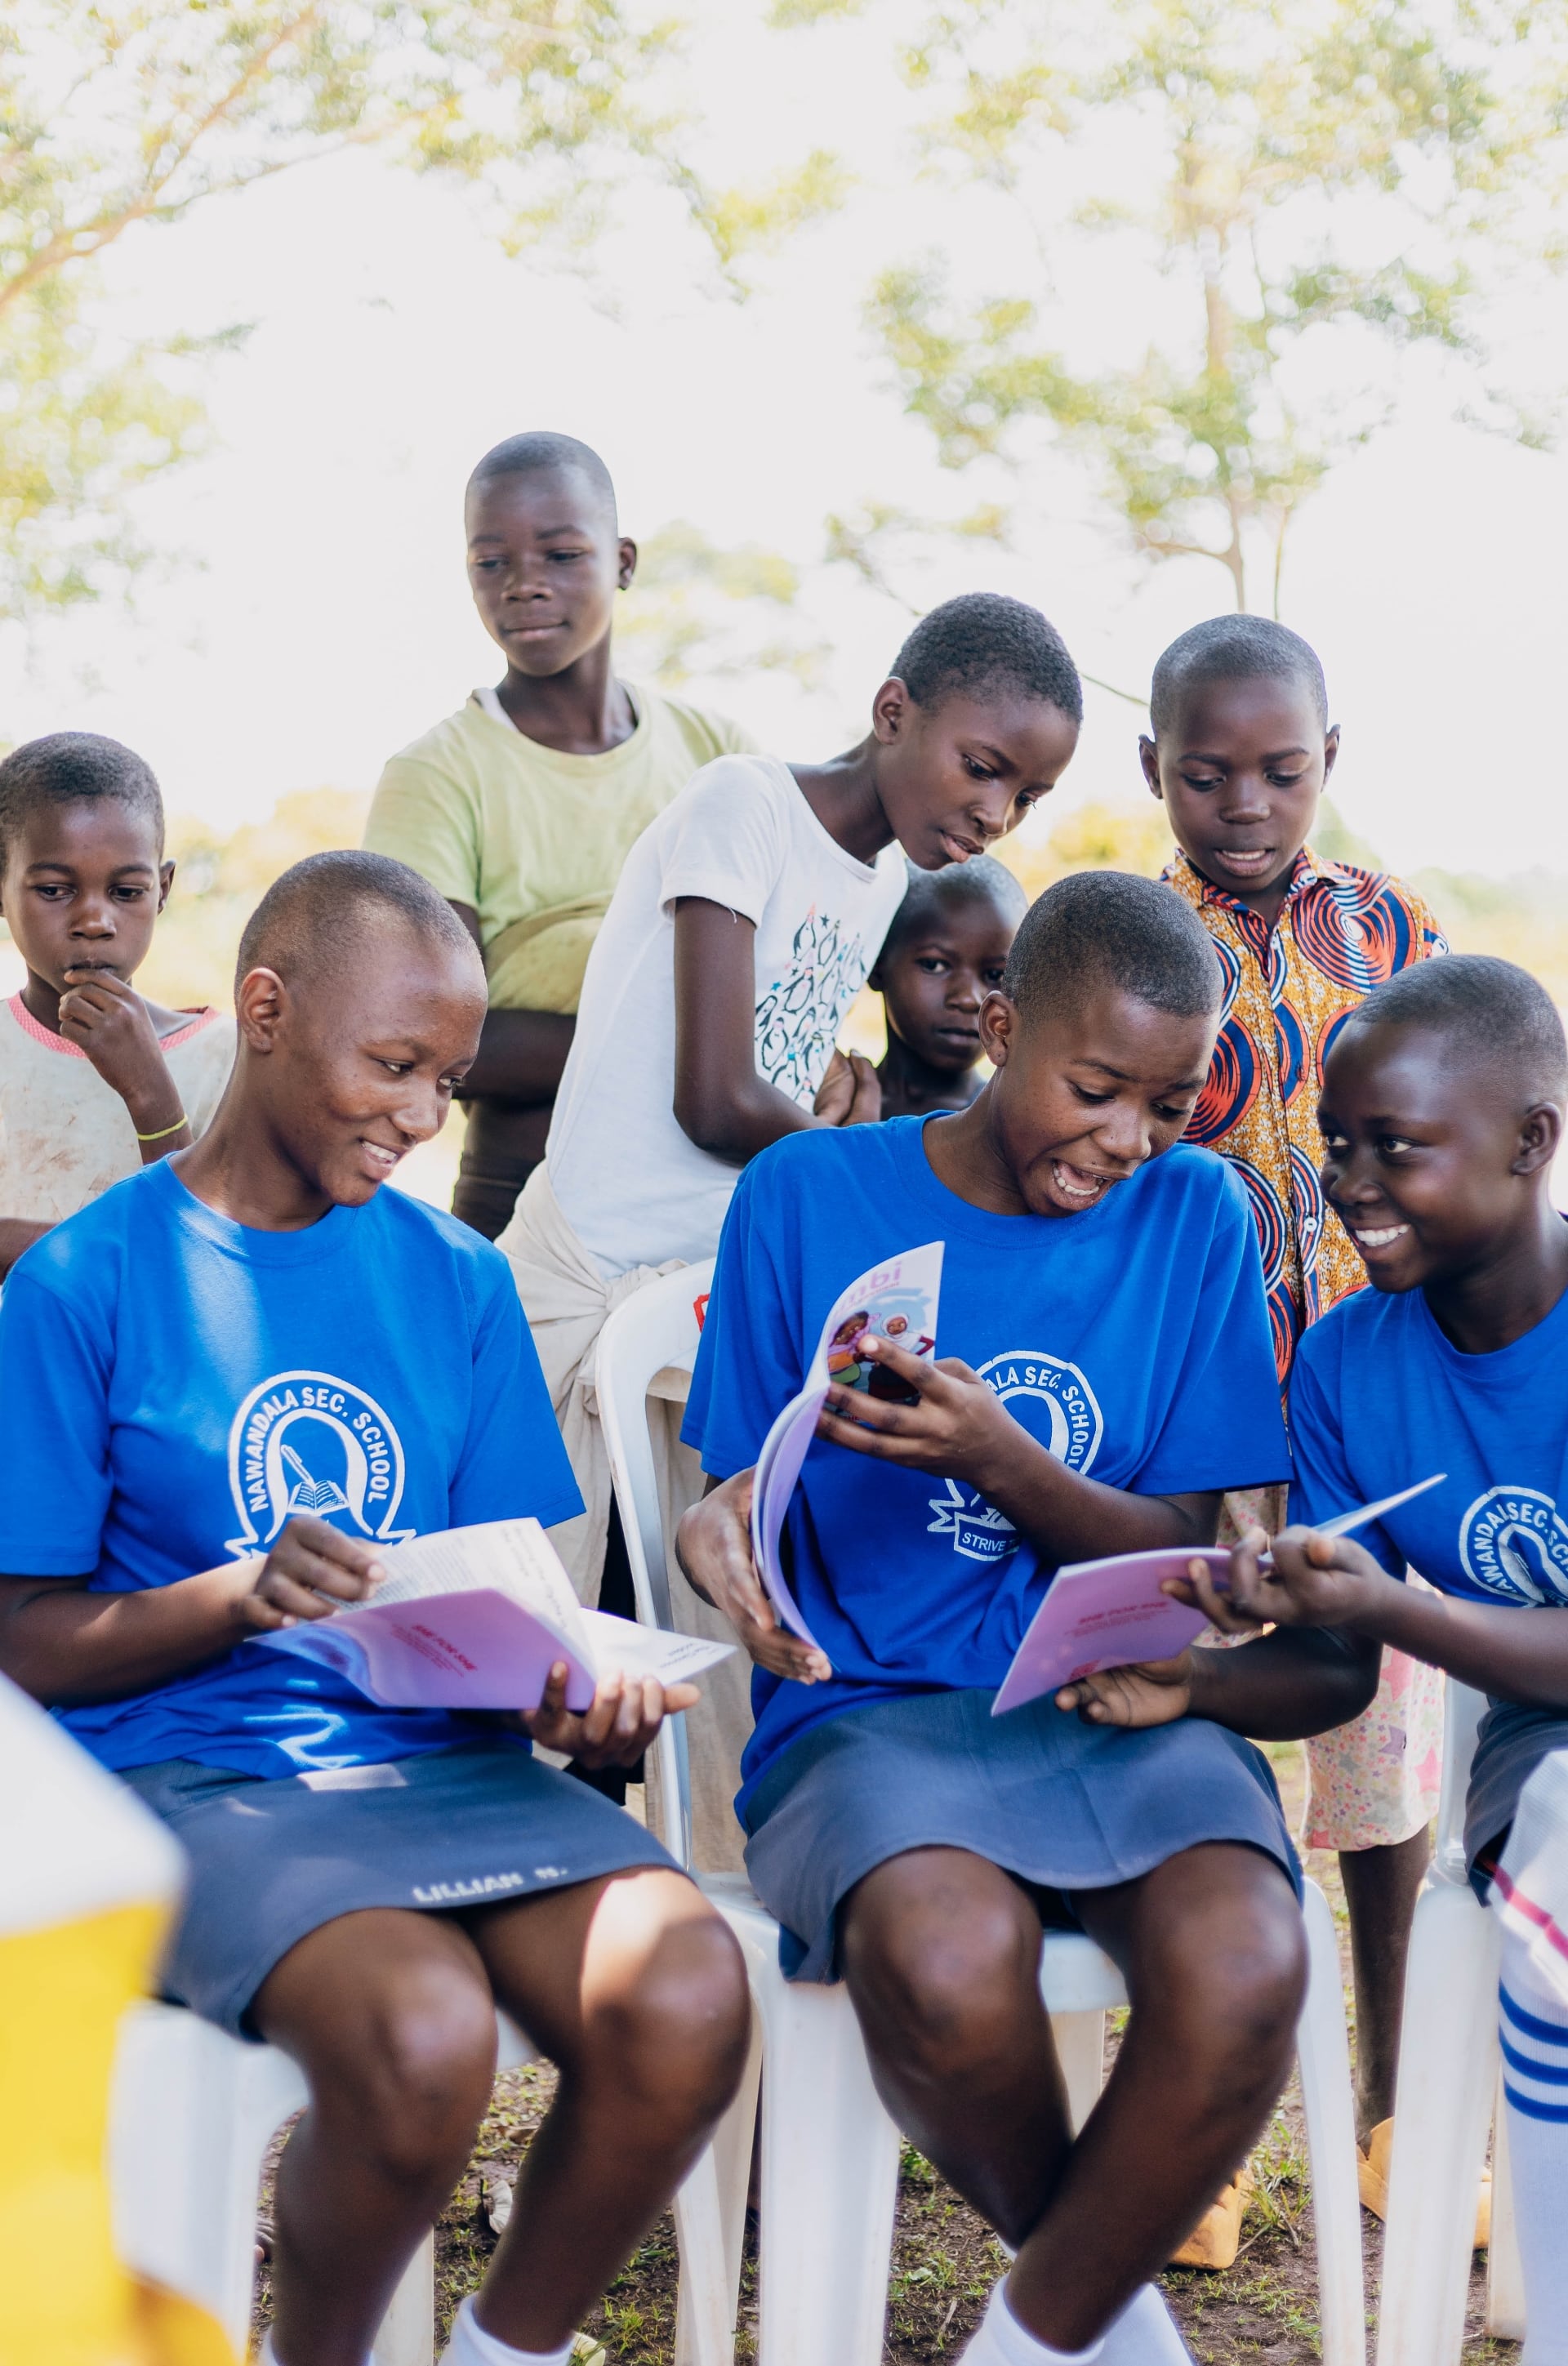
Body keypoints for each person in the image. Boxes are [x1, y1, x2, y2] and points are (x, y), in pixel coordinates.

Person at [0, 851, 749, 2366]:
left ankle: (500, 2345)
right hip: (201, 1778)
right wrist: (235, 1596)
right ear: (265, 1011)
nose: (420, 1115)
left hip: (448, 1765)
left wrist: (566, 1687)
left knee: (686, 1991)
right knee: (422, 2035)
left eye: (449, 1082)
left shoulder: (458, 1282)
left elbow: (504, 1594)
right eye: (392, 1064)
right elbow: (26, 1645)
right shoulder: (85, 1281)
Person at [676, 872, 1372, 2366]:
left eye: (1170, 1101)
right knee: (941, 1958)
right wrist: (713, 1529)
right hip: (869, 1712)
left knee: (1250, 1960)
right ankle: (1105, 2327)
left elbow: (1180, 1544)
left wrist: (1007, 1458)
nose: (1125, 1141)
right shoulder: (804, 1192)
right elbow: (739, 1483)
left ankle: (1039, 2332)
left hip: (1114, 1699)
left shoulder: (1193, 1212)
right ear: (1000, 1025)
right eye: (1096, 1088)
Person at [498, 591, 1083, 1869]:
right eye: (982, 767)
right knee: (540, 1661)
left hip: (706, 1290)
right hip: (585, 1269)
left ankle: (703, 1940)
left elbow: (781, 1061)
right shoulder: (743, 806)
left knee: (699, 1648)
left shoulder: (879, 877)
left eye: (1025, 797)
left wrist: (836, 1098)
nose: (993, 812)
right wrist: (857, 1157)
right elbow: (713, 1095)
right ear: (891, 713)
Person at [1124, 954, 1568, 2361]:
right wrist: (1194, 1668)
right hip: (1540, 1764)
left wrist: (1394, 1608)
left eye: (1401, 1146)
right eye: (1340, 1145)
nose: (1353, 1183)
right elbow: (1330, 1675)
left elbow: (1392, 1624)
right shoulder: (1347, 1364)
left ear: (1533, 1140)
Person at [1142, 613, 1450, 2186]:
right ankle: (1214, 2138)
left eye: (1279, 771)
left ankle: (1398, 2105)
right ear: (1155, 773)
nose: (1246, 804)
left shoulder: (1396, 933)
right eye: (1207, 777)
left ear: (1329, 762)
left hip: (1362, 1415)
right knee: (1208, 1764)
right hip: (1195, 1418)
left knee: (1377, 1764)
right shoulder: (1132, 943)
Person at [363, 431, 756, 1240]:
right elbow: (442, 1036)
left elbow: (780, 982)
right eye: (491, 562)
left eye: (561, 553)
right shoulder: (436, 774)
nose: (524, 585)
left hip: (709, 1206)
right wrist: (692, 1054)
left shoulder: (720, 757)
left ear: (623, 560)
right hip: (521, 1194)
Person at [0, 732, 235, 1280]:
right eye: (55, 889)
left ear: (164, 889)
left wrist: (149, 1091)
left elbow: (214, 1255)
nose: (95, 921)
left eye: (126, 892)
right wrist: (114, 1248)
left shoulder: (227, 1059)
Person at [869, 853, 1027, 1118]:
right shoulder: (824, 1100)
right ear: (877, 965)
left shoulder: (1012, 1125)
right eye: (935, 965)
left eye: (995, 974)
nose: (968, 999)